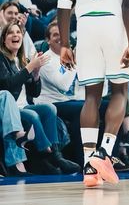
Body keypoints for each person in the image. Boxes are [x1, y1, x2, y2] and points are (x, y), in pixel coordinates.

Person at [57, 0, 129, 188]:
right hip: (114, 23)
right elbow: (128, 3)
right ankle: (104, 152)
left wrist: (65, 43)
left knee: (91, 96)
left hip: (87, 26)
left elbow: (64, 2)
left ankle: (88, 165)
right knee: (120, 91)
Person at [0, 21, 81, 175]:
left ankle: (54, 152)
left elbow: (34, 92)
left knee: (49, 109)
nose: (16, 35)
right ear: (4, 39)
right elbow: (8, 86)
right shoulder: (1, 59)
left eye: (18, 32)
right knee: (33, 115)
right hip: (9, 108)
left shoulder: (21, 60)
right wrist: (30, 68)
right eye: (11, 33)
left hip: (25, 105)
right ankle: (51, 154)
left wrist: (36, 75)